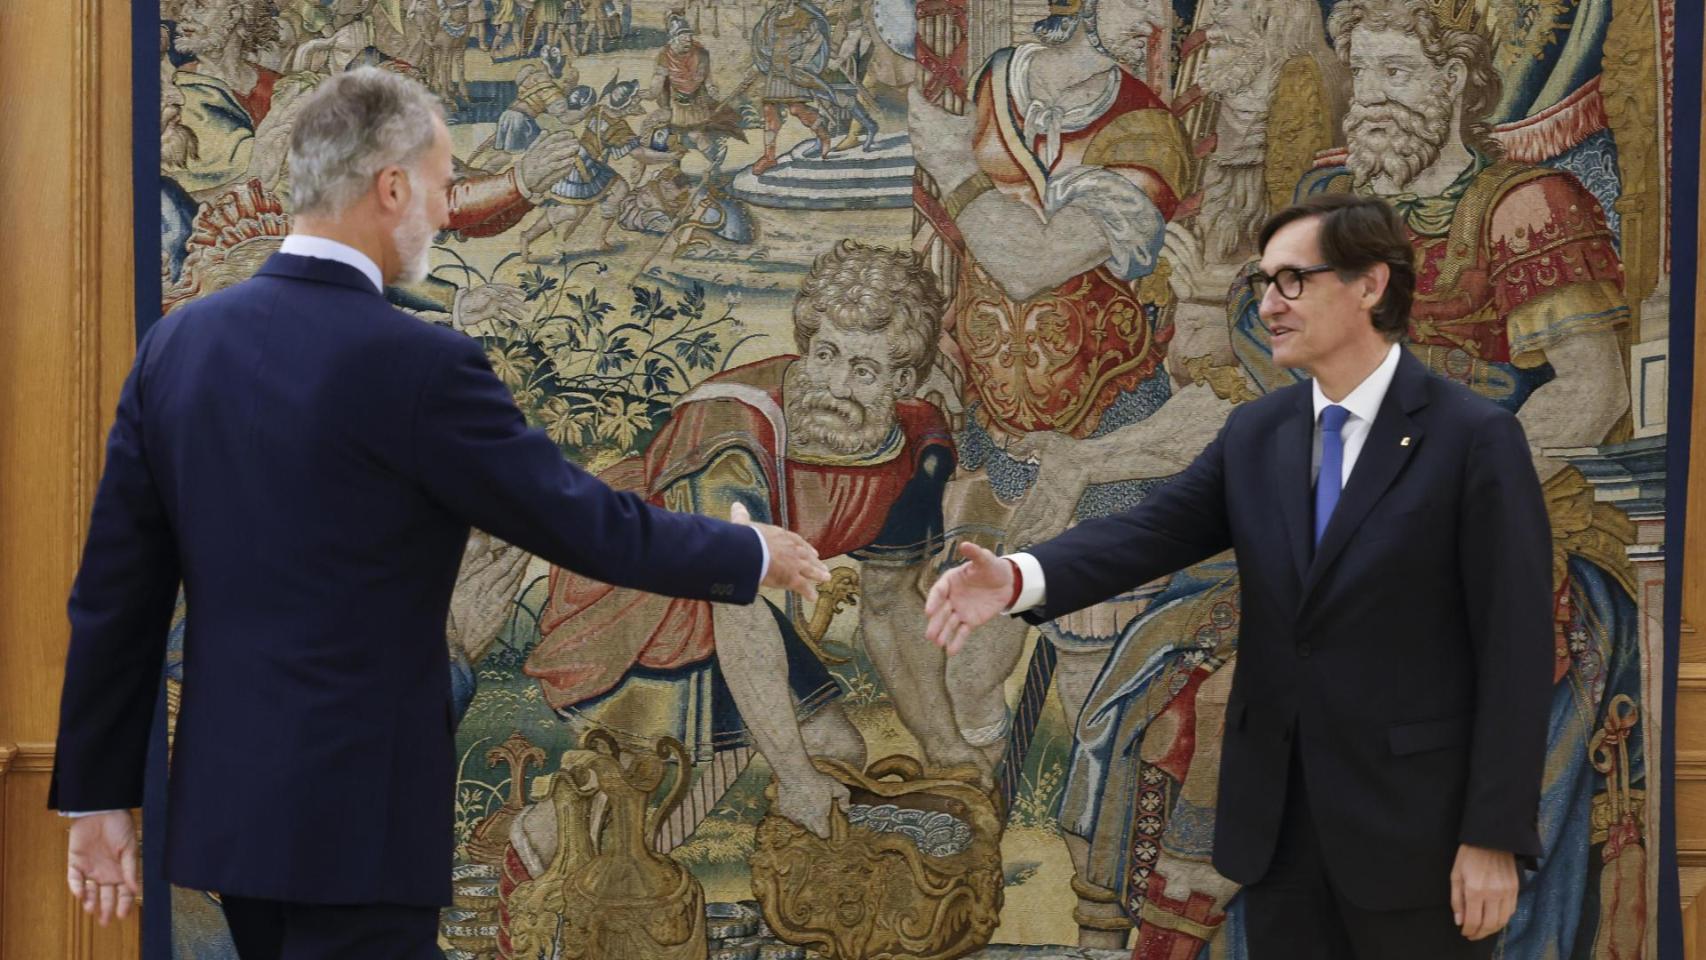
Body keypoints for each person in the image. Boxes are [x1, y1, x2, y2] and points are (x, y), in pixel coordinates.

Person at [50, 67, 829, 957]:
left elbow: (116, 597)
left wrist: (98, 798)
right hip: (363, 820)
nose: (446, 207)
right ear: (391, 188)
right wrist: (746, 551)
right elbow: (580, 522)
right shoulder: (419, 365)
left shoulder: (175, 349)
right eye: (443, 183)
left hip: (232, 822)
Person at [924, 193, 1554, 960]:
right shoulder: (1259, 432)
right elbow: (1153, 531)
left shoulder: (1474, 439)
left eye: (1292, 281)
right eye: (1262, 283)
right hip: (1276, 829)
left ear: (1370, 286)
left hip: (1414, 832)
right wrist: (1019, 578)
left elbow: (1515, 647)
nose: (1269, 304)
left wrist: (1491, 837)